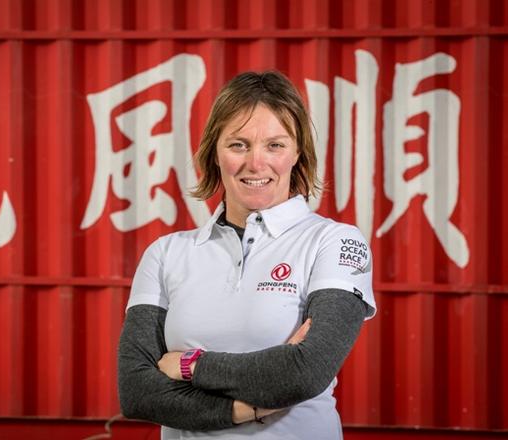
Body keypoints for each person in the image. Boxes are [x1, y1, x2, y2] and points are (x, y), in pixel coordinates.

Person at [117, 70, 376, 439]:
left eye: (275, 145)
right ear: (215, 153)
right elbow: (138, 391)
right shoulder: (166, 253)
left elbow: (305, 372)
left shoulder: (333, 242)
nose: (256, 163)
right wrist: (244, 409)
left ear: (297, 152)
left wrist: (190, 366)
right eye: (238, 144)